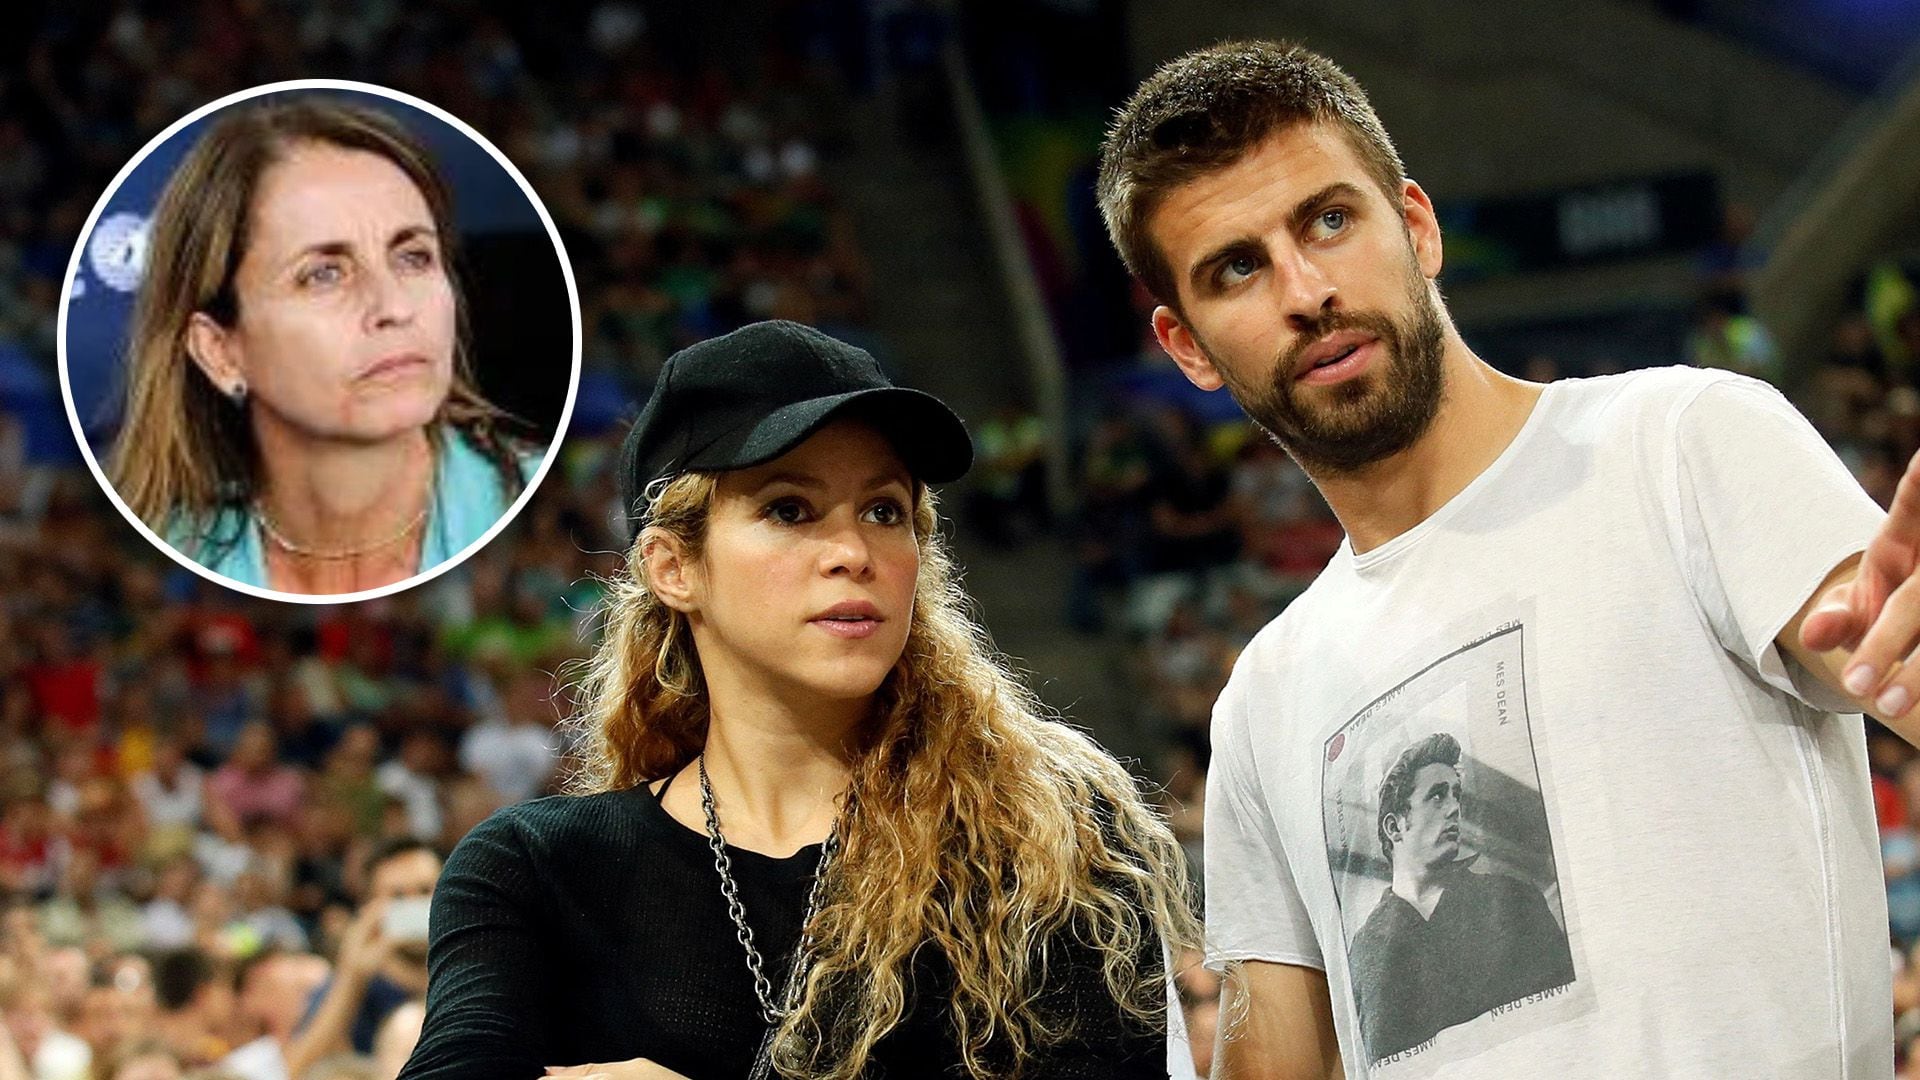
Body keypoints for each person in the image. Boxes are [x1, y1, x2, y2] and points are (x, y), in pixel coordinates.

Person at [1097, 38, 1911, 1078]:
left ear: (1418, 227)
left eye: (1330, 220)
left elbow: (1891, 649)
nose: (1306, 290)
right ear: (1189, 347)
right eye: (1239, 268)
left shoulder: (1684, 444)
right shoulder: (1263, 705)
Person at [398, 320, 1199, 1079]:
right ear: (673, 566)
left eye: (885, 511)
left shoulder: (1050, 838)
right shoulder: (536, 870)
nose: (854, 552)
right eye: (789, 509)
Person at [108, 96, 542, 595]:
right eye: (324, 274)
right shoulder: (173, 548)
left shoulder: (533, 503)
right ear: (220, 351)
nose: (394, 307)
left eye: (413, 257)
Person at [1347, 733, 1572, 1060]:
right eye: (1437, 796)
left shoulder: (1514, 899)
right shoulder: (1366, 949)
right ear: (1395, 827)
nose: (1454, 808)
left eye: (1456, 795)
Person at [284, 839, 438, 1080]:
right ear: (370, 908)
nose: (414, 905)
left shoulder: (475, 968)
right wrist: (352, 977)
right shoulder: (354, 986)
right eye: (397, 897)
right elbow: (296, 1073)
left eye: (425, 891)